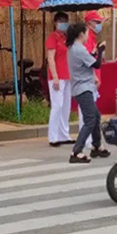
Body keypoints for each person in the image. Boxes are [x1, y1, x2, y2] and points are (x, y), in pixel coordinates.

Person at [66, 22, 111, 164]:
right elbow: (96, 64)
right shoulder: (79, 49)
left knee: (96, 116)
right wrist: (101, 51)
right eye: (86, 33)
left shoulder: (74, 48)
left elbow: (88, 59)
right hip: (83, 88)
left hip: (82, 87)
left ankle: (96, 145)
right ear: (81, 34)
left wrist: (95, 52)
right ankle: (76, 151)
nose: (87, 35)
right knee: (90, 119)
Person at [45, 12, 74, 147]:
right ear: (55, 23)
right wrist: (55, 77)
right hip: (56, 76)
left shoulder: (66, 38)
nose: (63, 24)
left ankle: (64, 134)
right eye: (61, 21)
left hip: (67, 75)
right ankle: (53, 136)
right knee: (57, 106)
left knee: (66, 106)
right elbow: (50, 59)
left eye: (65, 21)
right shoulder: (52, 38)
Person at [79, 10, 106, 147]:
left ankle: (89, 139)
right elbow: (87, 60)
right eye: (97, 22)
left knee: (91, 111)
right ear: (89, 23)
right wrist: (94, 76)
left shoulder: (92, 37)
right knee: (88, 111)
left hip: (92, 77)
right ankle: (87, 139)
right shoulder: (87, 39)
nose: (100, 24)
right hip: (90, 78)